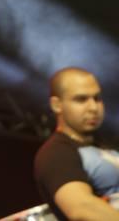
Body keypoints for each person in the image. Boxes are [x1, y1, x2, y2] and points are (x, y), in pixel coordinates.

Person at [34, 67, 119, 220]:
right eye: (81, 99)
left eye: (97, 98)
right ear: (56, 105)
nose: (93, 107)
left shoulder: (108, 143)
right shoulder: (56, 153)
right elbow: (82, 208)